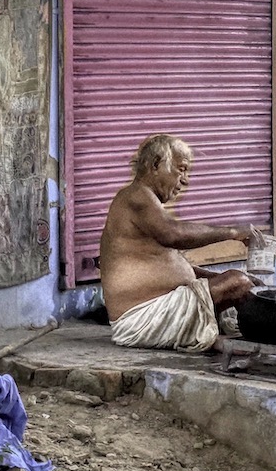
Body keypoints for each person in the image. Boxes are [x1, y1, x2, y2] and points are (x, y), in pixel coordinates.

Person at [99, 134, 260, 352]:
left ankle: (232, 339)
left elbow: (166, 263)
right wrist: (232, 232)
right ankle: (254, 340)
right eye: (181, 169)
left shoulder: (146, 203)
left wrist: (218, 277)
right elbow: (173, 234)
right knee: (237, 283)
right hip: (142, 318)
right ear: (156, 164)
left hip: (157, 310)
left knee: (246, 284)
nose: (185, 180)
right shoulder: (136, 196)